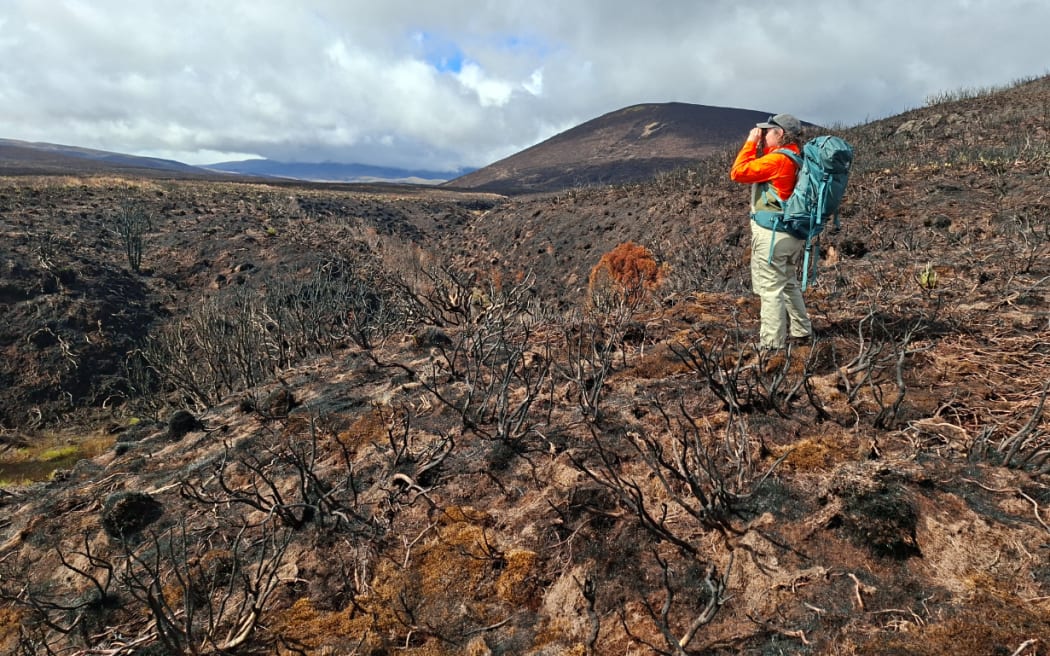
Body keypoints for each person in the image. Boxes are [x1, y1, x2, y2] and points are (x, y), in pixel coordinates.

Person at [729, 113, 813, 350]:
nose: (764, 135)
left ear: (781, 134)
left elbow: (738, 172)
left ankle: (772, 345)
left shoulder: (778, 161)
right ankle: (801, 331)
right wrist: (760, 146)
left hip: (773, 234)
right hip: (792, 233)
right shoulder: (796, 156)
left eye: (769, 131)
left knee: (770, 289)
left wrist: (749, 144)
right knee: (787, 283)